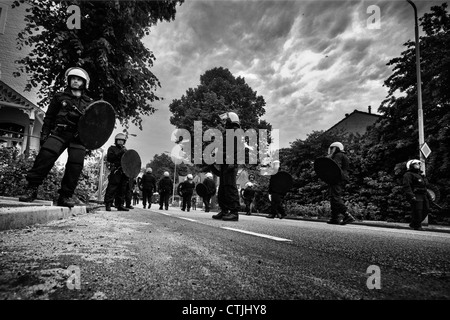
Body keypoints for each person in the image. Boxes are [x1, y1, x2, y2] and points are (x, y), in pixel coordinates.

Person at [19, 67, 93, 207]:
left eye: (78, 79)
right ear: (69, 80)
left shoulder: (89, 102)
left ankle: (65, 196)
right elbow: (49, 117)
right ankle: (32, 189)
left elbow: (93, 124)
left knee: (75, 166)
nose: (75, 81)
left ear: (84, 83)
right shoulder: (60, 97)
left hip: (78, 137)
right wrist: (45, 134)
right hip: (60, 132)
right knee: (45, 157)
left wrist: (89, 140)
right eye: (73, 79)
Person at [210, 112, 241, 221]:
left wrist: (233, 161)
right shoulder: (227, 133)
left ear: (231, 120)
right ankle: (224, 210)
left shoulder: (236, 132)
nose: (224, 122)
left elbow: (236, 149)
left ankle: (234, 212)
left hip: (230, 163)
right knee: (223, 188)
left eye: (226, 120)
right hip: (224, 163)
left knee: (230, 187)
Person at [326, 142, 355, 225]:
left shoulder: (338, 155)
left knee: (335, 197)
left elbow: (335, 167)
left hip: (337, 178)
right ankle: (335, 218)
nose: (331, 150)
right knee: (333, 197)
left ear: (337, 148)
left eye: (332, 148)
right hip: (339, 179)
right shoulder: (343, 155)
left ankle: (347, 215)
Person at [103, 133, 130, 212]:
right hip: (116, 170)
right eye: (119, 140)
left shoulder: (126, 150)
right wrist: (119, 154)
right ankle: (108, 203)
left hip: (124, 171)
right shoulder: (112, 148)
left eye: (122, 140)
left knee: (122, 188)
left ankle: (120, 204)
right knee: (112, 187)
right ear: (116, 141)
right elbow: (110, 158)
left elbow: (129, 161)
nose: (121, 142)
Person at [403, 159, 430, 231]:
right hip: (416, 194)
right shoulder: (408, 175)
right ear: (411, 165)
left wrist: (429, 196)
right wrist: (411, 195)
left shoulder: (420, 175)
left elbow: (425, 186)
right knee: (418, 210)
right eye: (416, 164)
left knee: (426, 209)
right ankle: (417, 225)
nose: (418, 165)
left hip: (423, 194)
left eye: (418, 164)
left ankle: (413, 223)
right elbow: (407, 186)